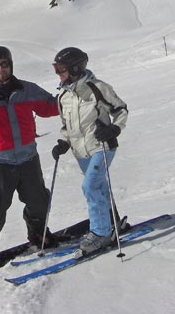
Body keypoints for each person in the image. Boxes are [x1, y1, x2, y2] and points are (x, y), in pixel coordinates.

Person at [0, 46, 61, 264]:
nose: (0, 70)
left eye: (4, 64)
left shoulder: (27, 90)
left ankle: (37, 232)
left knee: (39, 201)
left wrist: (71, 96)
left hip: (28, 160)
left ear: (11, 65)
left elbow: (50, 106)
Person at [51, 47, 128, 254]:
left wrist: (114, 128)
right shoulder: (62, 97)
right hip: (80, 152)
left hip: (101, 146)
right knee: (99, 187)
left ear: (75, 68)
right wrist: (63, 142)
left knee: (90, 186)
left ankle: (100, 233)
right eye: (56, 69)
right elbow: (67, 126)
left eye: (61, 69)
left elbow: (120, 109)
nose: (58, 73)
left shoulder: (98, 88)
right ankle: (111, 223)